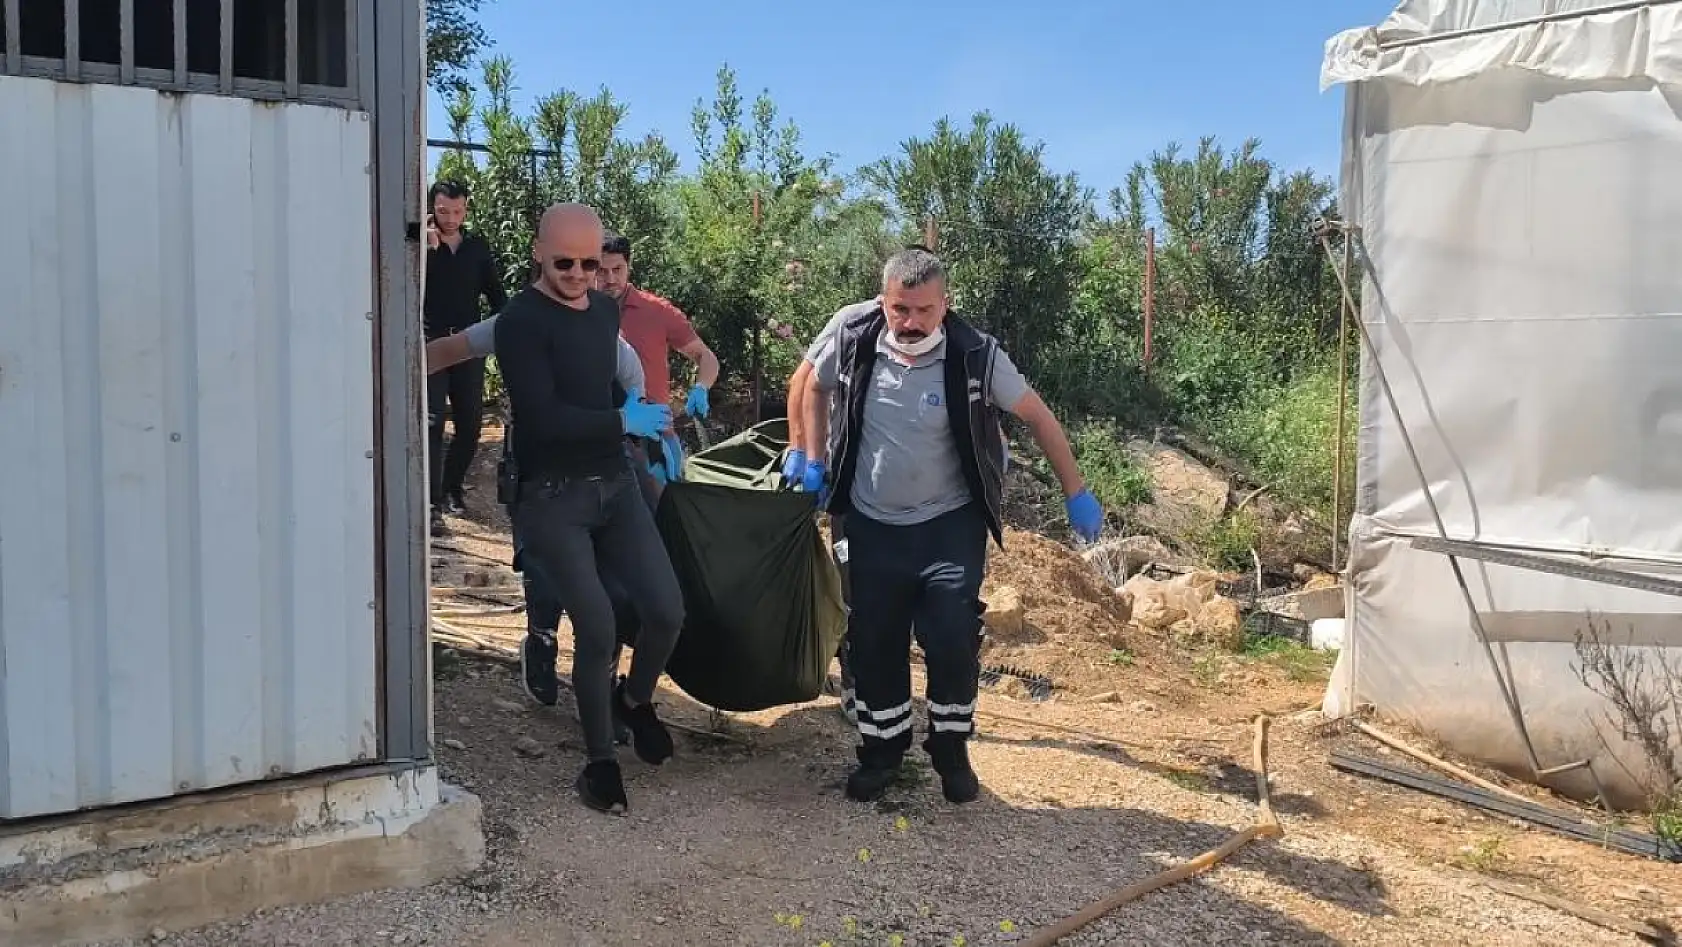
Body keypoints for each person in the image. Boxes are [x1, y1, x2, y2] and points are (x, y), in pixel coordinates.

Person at [803, 248, 1104, 805]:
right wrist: (812, 457)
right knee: (875, 642)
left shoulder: (974, 355)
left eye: (922, 310)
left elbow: (1037, 416)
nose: (910, 323)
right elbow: (811, 386)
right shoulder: (854, 341)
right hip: (868, 523)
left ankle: (950, 745)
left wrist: (1076, 493)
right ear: (884, 300)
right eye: (900, 309)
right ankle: (882, 753)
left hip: (948, 525)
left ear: (945, 304)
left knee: (949, 631)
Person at [495, 203, 686, 815]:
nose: (578, 274)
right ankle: (600, 761)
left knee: (665, 610)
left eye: (589, 262)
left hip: (614, 483)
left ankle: (635, 700)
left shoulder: (605, 314)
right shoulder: (521, 322)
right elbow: (544, 420)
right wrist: (619, 420)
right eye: (564, 263)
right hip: (554, 497)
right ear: (537, 254)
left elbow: (628, 375)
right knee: (599, 625)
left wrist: (650, 421)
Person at [425, 318, 645, 722]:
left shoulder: (613, 346)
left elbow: (636, 406)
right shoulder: (516, 322)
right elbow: (444, 351)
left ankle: (599, 688)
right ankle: (542, 639)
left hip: (596, 475)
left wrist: (645, 445)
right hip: (535, 475)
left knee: (606, 584)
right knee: (544, 569)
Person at [597, 233, 719, 490]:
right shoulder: (580, 313)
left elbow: (705, 356)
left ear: (629, 266)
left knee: (661, 522)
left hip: (655, 440)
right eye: (601, 270)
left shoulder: (656, 311)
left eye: (617, 269)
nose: (610, 279)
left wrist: (701, 388)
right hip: (601, 438)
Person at [425, 180, 507, 536]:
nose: (450, 218)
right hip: (430, 344)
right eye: (443, 211)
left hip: (468, 344)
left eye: (457, 211)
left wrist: (513, 328)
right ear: (431, 207)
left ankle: (451, 489)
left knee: (470, 424)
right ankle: (428, 503)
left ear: (466, 210)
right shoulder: (419, 243)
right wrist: (426, 246)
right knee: (431, 422)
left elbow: (496, 294)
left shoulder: (476, 247)